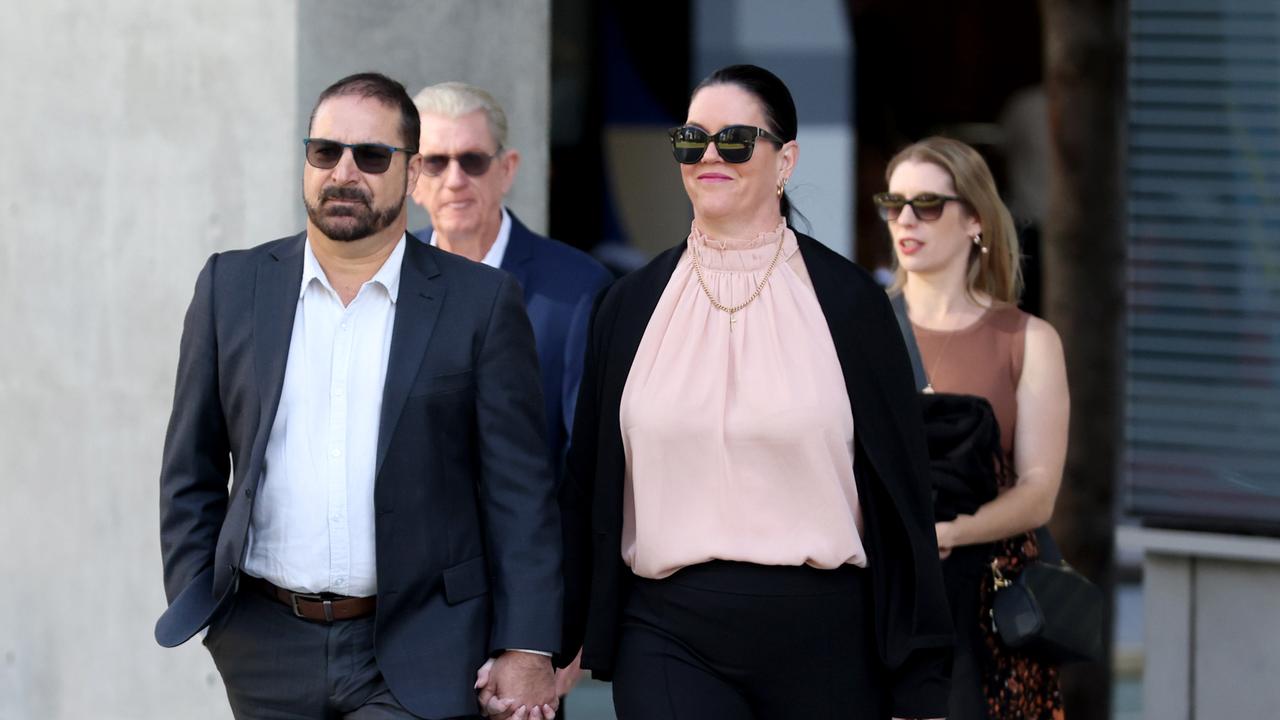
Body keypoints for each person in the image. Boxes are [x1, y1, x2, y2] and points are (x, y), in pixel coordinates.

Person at [155, 72, 562, 720]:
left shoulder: (479, 302)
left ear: (411, 172)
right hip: (265, 644)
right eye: (325, 151)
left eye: (371, 156)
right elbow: (190, 469)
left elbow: (519, 493)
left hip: (420, 646)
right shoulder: (230, 287)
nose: (344, 172)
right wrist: (207, 604)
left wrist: (528, 644)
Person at [559, 64, 953, 720]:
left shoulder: (853, 306)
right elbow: (586, 485)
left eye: (735, 140)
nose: (709, 156)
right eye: (692, 140)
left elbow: (902, 499)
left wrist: (923, 682)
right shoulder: (626, 307)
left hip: (827, 638)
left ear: (785, 160)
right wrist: (550, 644)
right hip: (665, 630)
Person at [408, 79, 612, 718]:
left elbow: (591, 475)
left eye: (472, 160)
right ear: (413, 176)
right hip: (404, 619)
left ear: (507, 169)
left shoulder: (577, 289)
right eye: (435, 162)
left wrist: (567, 634)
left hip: (525, 619)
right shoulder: (385, 285)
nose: (454, 179)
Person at [874, 136, 1070, 719]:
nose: (905, 219)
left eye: (928, 204)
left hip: (987, 611)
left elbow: (1038, 492)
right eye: (893, 202)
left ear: (975, 221)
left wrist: (950, 534)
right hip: (876, 600)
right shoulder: (856, 330)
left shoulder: (1028, 339)